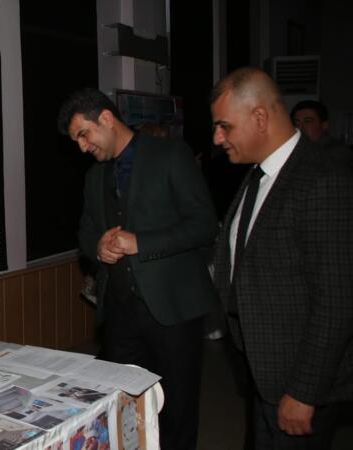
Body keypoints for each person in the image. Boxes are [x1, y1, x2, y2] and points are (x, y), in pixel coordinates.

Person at [57, 88, 218, 450]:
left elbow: (204, 225)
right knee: (121, 408)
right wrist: (98, 247)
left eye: (84, 134)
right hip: (119, 311)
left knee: (176, 409)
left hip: (173, 309)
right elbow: (85, 232)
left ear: (106, 118)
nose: (82, 147)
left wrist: (141, 242)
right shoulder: (94, 176)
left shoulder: (171, 155)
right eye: (76, 140)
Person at [210, 67, 353, 449]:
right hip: (264, 370)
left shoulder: (324, 178)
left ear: (260, 117)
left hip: (299, 382)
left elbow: (337, 302)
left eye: (224, 126)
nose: (217, 138)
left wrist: (304, 392)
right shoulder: (258, 173)